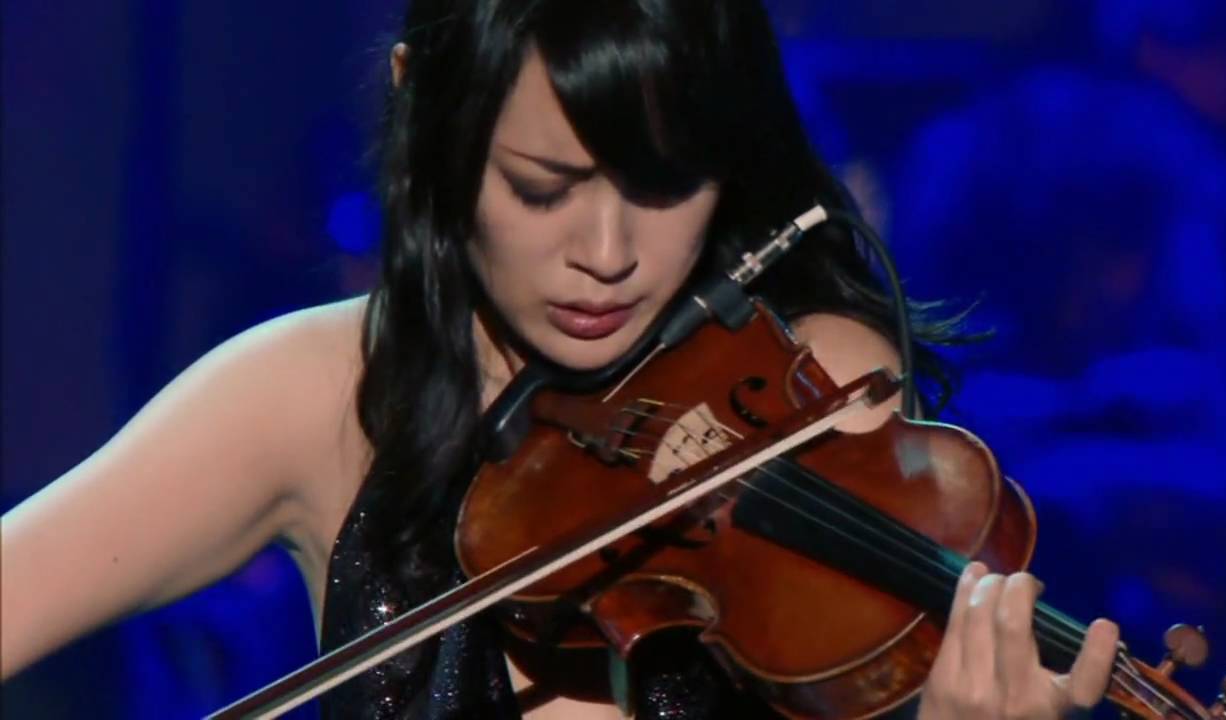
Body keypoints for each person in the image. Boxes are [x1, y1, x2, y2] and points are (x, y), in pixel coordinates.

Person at [0, 1, 1119, 717]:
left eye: (667, 185)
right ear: (427, 113)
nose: (609, 256)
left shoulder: (807, 385)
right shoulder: (319, 394)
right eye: (542, 188)